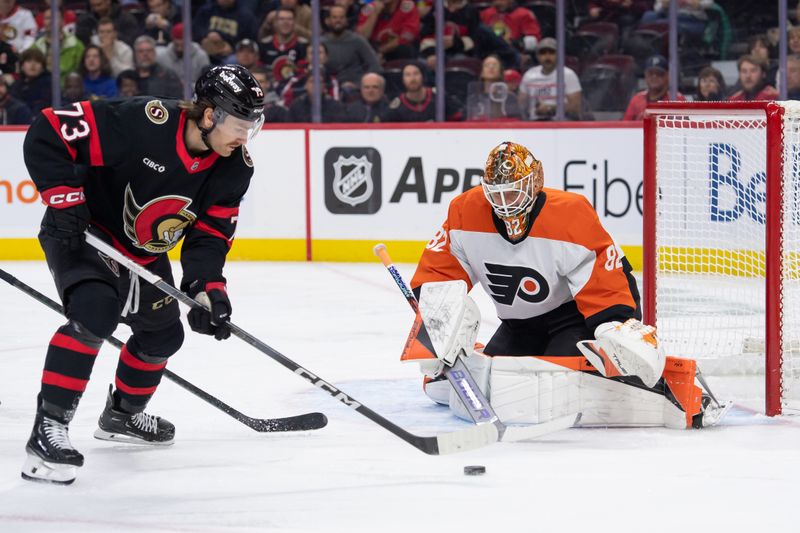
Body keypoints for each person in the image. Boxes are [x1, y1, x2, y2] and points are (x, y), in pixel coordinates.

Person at [20, 64, 265, 485]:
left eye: (253, 125)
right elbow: (48, 129)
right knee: (96, 311)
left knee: (163, 335)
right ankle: (47, 431)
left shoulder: (234, 166)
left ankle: (122, 415)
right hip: (84, 233)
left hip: (143, 253)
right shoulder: (142, 122)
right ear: (209, 116)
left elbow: (209, 234)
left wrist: (207, 289)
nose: (246, 137)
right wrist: (64, 199)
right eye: (241, 125)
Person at [403, 141, 726, 430]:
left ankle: (669, 387)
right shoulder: (465, 211)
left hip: (573, 320)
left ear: (535, 182)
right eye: (497, 193)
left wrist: (612, 327)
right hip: (518, 325)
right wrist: (437, 322)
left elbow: (606, 276)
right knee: (490, 380)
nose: (506, 202)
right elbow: (440, 273)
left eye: (514, 190)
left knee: (557, 383)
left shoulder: (570, 214)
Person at [519, 38, 582, 121]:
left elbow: (576, 106)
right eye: (543, 53)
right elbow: (521, 105)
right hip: (534, 125)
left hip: (561, 124)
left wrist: (551, 108)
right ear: (537, 56)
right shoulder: (529, 75)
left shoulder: (568, 75)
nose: (547, 57)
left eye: (551, 53)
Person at [323, 5, 381, 90]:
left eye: (341, 17)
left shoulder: (357, 40)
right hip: (329, 87)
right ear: (327, 21)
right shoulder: (320, 43)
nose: (338, 20)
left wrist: (361, 85)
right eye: (334, 17)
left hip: (356, 87)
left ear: (346, 20)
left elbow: (374, 65)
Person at [384, 62, 462, 122]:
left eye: (416, 73)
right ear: (402, 80)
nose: (412, 78)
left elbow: (457, 119)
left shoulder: (439, 96)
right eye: (408, 75)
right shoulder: (397, 106)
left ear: (423, 76)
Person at [622, 54, 684, 121]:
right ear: (645, 76)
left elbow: (686, 127)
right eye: (650, 73)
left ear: (667, 76)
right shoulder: (637, 99)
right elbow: (625, 126)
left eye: (659, 74)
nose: (654, 77)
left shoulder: (676, 99)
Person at [356, 0, 421, 62]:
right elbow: (361, 37)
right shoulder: (369, 8)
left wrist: (380, 51)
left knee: (404, 48)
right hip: (372, 49)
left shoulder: (407, 6)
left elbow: (406, 37)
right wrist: (374, 13)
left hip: (395, 50)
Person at [466, 54, 521, 121]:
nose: (491, 67)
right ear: (481, 72)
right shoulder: (474, 98)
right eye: (487, 65)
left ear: (500, 72)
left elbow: (516, 121)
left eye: (495, 65)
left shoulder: (510, 97)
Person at [10, 48, 51, 114]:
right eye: (29, 61)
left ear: (43, 67)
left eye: (37, 61)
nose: (33, 65)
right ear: (22, 66)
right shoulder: (16, 86)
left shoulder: (50, 85)